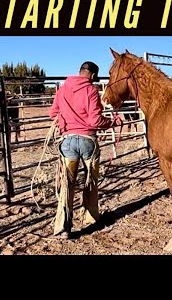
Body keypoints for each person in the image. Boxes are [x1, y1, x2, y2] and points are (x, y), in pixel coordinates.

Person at [49, 61, 122, 239]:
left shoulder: (63, 89)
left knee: (67, 185)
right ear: (93, 75)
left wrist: (67, 119)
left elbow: (53, 113)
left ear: (80, 71)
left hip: (67, 141)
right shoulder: (91, 91)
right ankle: (91, 218)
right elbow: (94, 121)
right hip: (88, 141)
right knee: (91, 181)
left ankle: (62, 228)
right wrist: (112, 122)